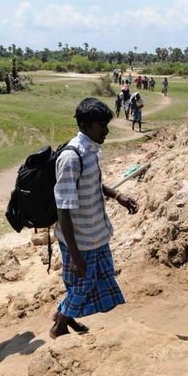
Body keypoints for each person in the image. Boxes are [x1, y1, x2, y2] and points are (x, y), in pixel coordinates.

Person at [51, 98, 139, 339]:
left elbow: (92, 184)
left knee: (96, 281)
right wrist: (76, 255)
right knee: (82, 285)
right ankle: (58, 327)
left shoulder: (90, 150)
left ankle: (64, 316)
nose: (107, 131)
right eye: (102, 125)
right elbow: (63, 210)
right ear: (85, 125)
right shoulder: (70, 158)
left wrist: (118, 196)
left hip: (96, 233)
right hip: (80, 240)